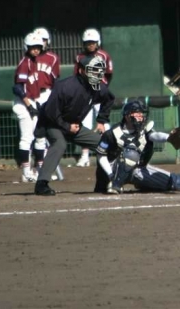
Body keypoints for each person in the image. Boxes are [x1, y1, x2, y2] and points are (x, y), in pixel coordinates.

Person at [33, 55, 115, 196]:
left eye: (99, 71)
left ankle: (102, 184)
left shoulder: (98, 88)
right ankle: (41, 184)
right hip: (53, 123)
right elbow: (50, 112)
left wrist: (101, 120)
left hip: (75, 126)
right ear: (82, 71)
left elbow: (109, 99)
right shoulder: (66, 86)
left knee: (104, 145)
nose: (96, 74)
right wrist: (67, 126)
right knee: (59, 144)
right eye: (93, 71)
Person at [93, 99, 180, 194]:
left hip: (135, 170)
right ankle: (115, 184)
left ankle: (142, 183)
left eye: (141, 114)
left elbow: (155, 136)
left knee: (177, 182)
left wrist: (169, 138)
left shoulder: (143, 130)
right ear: (127, 116)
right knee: (131, 154)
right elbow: (101, 155)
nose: (141, 116)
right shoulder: (112, 133)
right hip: (112, 170)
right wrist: (110, 175)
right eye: (137, 113)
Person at [75, 28, 114, 167]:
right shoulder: (80, 57)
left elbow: (109, 74)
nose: (90, 45)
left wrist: (103, 87)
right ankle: (85, 156)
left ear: (98, 42)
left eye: (92, 42)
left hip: (99, 92)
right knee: (84, 125)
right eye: (87, 42)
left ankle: (109, 152)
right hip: (86, 93)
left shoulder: (104, 55)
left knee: (104, 124)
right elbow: (77, 75)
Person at [12, 32, 45, 183]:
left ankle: (36, 170)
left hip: (32, 102)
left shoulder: (34, 61)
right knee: (27, 138)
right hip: (24, 103)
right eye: (33, 47)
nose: (36, 49)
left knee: (38, 136)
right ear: (27, 47)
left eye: (38, 47)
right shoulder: (25, 63)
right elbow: (17, 88)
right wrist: (29, 105)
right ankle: (26, 172)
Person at [31, 27, 61, 175]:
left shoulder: (52, 58)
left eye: (43, 40)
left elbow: (55, 80)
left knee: (50, 132)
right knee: (35, 134)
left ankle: (44, 167)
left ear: (47, 41)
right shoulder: (27, 59)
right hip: (32, 96)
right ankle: (35, 168)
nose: (40, 42)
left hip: (47, 94)